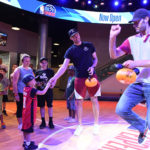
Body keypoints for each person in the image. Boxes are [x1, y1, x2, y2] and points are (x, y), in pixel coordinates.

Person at [109, 8, 150, 144]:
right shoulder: (131, 40)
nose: (134, 25)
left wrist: (135, 63)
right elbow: (114, 54)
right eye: (133, 23)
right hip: (138, 83)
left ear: (146, 19)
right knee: (121, 109)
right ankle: (142, 127)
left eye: (137, 22)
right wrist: (112, 37)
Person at [50, 28, 101, 136]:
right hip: (79, 77)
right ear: (71, 38)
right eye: (73, 36)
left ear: (79, 34)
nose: (76, 36)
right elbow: (64, 67)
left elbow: (95, 59)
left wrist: (92, 67)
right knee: (78, 102)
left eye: (77, 34)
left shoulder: (89, 45)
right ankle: (80, 125)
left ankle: (96, 124)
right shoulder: (70, 50)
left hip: (92, 76)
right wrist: (54, 77)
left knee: (94, 99)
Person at [22, 74, 51, 150]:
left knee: (25, 128)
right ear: (29, 82)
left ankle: (25, 142)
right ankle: (28, 145)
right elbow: (42, 92)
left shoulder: (26, 88)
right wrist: (47, 85)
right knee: (28, 129)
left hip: (25, 112)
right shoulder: (32, 90)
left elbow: (33, 88)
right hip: (29, 113)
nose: (35, 81)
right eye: (33, 80)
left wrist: (37, 84)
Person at [13, 54, 34, 129]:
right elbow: (14, 82)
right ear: (22, 61)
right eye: (26, 61)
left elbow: (32, 80)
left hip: (28, 92)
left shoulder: (30, 69)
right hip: (20, 92)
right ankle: (20, 124)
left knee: (27, 109)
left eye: (29, 61)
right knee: (20, 108)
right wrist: (16, 94)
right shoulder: (18, 69)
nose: (28, 62)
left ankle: (26, 122)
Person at [35, 57, 54, 129]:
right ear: (40, 63)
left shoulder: (51, 71)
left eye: (45, 62)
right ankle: (43, 121)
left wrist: (53, 85)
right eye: (42, 62)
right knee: (42, 106)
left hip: (49, 91)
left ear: (47, 63)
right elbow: (35, 81)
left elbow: (54, 80)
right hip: (40, 92)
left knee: (50, 106)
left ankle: (50, 121)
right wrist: (38, 84)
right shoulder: (37, 72)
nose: (44, 64)